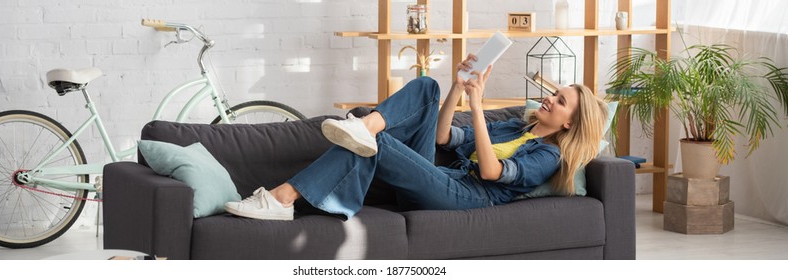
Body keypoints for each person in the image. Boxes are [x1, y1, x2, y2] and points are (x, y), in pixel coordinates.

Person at [225, 54, 609, 221]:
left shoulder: (548, 156)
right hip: (446, 177)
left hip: (467, 196)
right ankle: (367, 126)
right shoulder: (517, 127)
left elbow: (491, 173)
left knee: (375, 144)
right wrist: (458, 89)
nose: (549, 98)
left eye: (559, 101)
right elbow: (443, 138)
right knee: (427, 86)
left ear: (569, 125)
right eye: (554, 93)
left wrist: (478, 106)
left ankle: (283, 198)